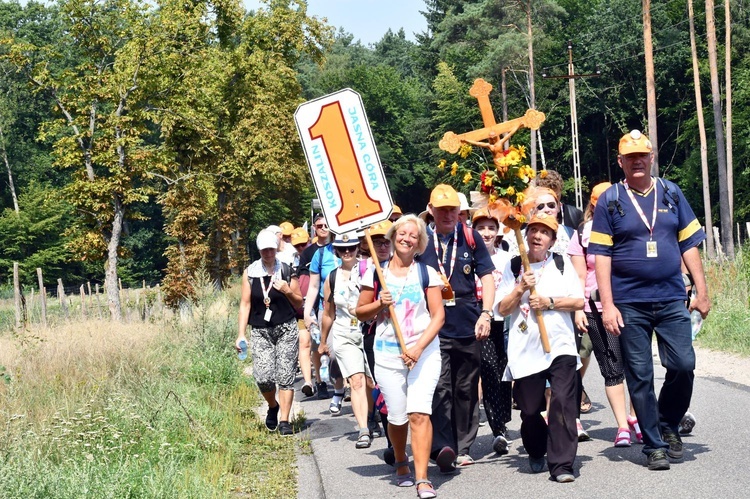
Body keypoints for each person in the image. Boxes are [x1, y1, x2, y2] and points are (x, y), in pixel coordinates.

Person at [589, 129, 711, 471]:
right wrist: (608, 305)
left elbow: (689, 243)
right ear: (621, 162)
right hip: (629, 302)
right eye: (630, 157)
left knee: (683, 364)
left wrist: (702, 291)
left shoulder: (671, 192)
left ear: (651, 157)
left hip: (672, 297)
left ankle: (668, 421)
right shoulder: (611, 200)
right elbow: (601, 255)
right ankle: (654, 443)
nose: (637, 161)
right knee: (639, 374)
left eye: (642, 155)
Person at [356, 214, 445, 499]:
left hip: (424, 353)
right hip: (387, 355)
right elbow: (359, 312)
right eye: (403, 234)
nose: (407, 238)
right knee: (397, 417)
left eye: (414, 236)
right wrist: (377, 304)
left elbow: (439, 316)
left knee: (419, 413)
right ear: (394, 237)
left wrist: (418, 349)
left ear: (420, 243)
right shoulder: (375, 272)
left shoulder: (427, 272)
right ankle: (400, 459)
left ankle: (422, 478)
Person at [497, 213, 584, 483]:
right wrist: (519, 288)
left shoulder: (561, 264)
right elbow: (501, 309)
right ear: (524, 235)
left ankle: (562, 465)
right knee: (531, 409)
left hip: (560, 346)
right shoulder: (513, 267)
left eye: (544, 233)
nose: (537, 236)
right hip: (526, 350)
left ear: (552, 240)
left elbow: (578, 301)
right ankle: (536, 449)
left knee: (562, 403)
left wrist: (549, 302)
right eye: (533, 230)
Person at [418, 184, 495, 471]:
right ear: (431, 211)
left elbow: (487, 277)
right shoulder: (422, 241)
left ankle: (463, 447)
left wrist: (486, 314)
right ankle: (442, 446)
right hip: (433, 326)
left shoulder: (470, 237)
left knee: (465, 389)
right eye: (442, 210)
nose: (448, 215)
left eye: (453, 210)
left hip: (467, 323)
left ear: (459, 212)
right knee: (439, 388)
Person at [567, 181, 642, 447]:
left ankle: (637, 418)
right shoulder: (582, 233)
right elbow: (578, 274)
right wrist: (578, 309)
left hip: (631, 302)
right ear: (593, 203)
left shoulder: (631, 228)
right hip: (595, 307)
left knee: (638, 364)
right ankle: (622, 426)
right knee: (612, 367)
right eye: (601, 200)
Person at [235, 229, 303, 436]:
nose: (268, 253)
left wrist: (287, 290)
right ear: (259, 250)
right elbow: (245, 304)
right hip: (261, 331)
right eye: (264, 250)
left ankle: (284, 420)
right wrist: (240, 334)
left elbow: (299, 300)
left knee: (285, 375)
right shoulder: (251, 273)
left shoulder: (286, 269)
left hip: (286, 327)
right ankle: (273, 406)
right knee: (263, 377)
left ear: (276, 249)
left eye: (271, 249)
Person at [319, 232, 375, 448]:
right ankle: (363, 430)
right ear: (337, 252)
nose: (347, 252)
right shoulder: (331, 277)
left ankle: (372, 416)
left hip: (369, 331)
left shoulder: (369, 270)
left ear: (358, 248)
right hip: (344, 333)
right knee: (357, 380)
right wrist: (324, 341)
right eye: (343, 249)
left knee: (371, 382)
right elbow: (328, 313)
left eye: (351, 248)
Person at [472, 208, 513, 455]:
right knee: (488, 371)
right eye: (481, 228)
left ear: (498, 231)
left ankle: (503, 421)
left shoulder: (506, 258)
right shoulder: (467, 256)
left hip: (504, 321)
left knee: (503, 373)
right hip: (480, 321)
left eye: (491, 228)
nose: (486, 233)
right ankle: (497, 429)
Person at [304, 218, 348, 413]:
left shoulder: (350, 249)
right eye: (320, 226)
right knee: (332, 352)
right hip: (327, 310)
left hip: (350, 310)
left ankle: (349, 388)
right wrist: (307, 313)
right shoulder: (320, 255)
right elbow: (313, 286)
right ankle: (338, 387)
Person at [298, 215, 332, 399]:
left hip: (341, 306)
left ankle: (344, 383)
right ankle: (320, 381)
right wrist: (306, 310)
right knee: (317, 346)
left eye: (327, 225)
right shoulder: (309, 253)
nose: (323, 228)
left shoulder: (341, 248)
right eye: (320, 225)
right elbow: (307, 283)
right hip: (321, 306)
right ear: (314, 227)